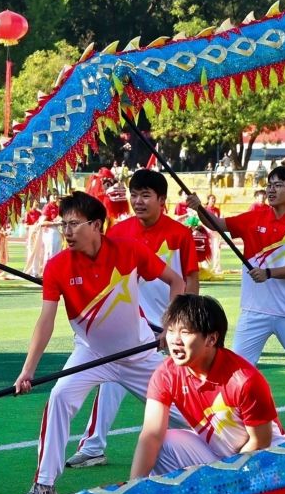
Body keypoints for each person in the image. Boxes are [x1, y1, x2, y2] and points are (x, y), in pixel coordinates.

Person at [14, 190, 182, 494]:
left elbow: (177, 281)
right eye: (63, 225)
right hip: (90, 353)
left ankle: (234, 448)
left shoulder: (129, 250)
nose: (66, 231)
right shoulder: (57, 266)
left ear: (96, 225)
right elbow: (45, 322)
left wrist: (170, 326)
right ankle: (45, 485)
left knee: (185, 412)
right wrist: (28, 371)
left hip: (138, 352)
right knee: (60, 396)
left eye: (73, 224)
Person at [68, 168, 200, 469]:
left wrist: (182, 324)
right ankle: (93, 446)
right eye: (134, 195)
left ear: (162, 200)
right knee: (109, 383)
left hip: (167, 327)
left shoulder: (179, 234)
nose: (138, 201)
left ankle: (209, 434)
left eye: (145, 195)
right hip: (128, 326)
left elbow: (190, 278)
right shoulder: (118, 232)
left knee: (176, 389)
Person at [188, 164, 285, 435]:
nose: (271, 189)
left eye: (278, 185)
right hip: (254, 310)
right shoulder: (254, 218)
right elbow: (219, 225)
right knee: (237, 365)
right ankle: (228, 417)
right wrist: (199, 209)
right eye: (270, 184)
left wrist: (269, 273)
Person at [129, 294, 282, 480]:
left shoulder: (245, 380)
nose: (175, 340)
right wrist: (133, 486)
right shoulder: (165, 374)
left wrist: (229, 479)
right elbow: (151, 436)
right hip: (217, 454)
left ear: (211, 339)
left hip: (266, 458)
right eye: (170, 330)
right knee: (162, 442)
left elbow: (261, 442)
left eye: (185, 332)